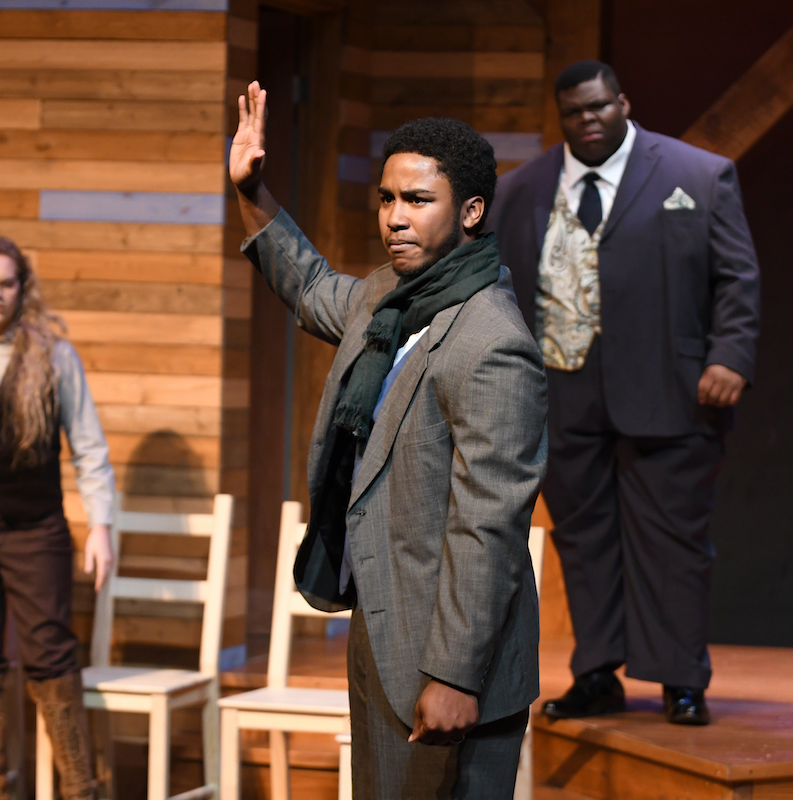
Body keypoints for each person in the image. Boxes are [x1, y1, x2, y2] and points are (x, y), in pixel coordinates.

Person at [230, 82, 547, 798]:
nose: (395, 218)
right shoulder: (387, 299)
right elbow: (311, 287)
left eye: (417, 201)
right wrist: (252, 190)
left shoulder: (492, 342)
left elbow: (488, 527)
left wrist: (454, 674)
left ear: (469, 212)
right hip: (383, 622)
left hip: (451, 652)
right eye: (386, 199)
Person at [485, 60, 760, 724]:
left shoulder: (696, 175)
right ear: (562, 117)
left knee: (673, 538)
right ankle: (597, 672)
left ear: (623, 103)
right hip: (562, 390)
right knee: (583, 537)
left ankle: (679, 677)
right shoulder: (523, 189)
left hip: (669, 390)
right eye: (575, 112)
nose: (590, 120)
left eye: (601, 106)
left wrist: (730, 356)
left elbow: (737, 278)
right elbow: (499, 283)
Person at [0, 235, 115, 800]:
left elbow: (89, 448)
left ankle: (80, 789)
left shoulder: (53, 356)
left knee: (50, 651)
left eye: (6, 283)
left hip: (34, 529)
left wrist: (100, 527)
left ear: (22, 288)